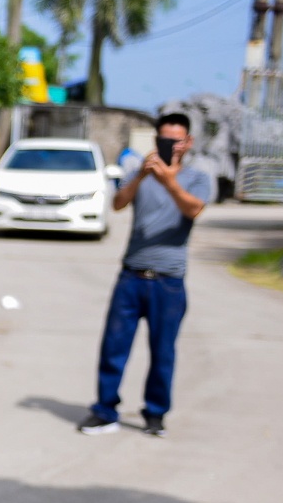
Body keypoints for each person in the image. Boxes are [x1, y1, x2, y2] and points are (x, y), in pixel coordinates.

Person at [78, 113, 212, 438]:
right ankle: (105, 410)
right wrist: (140, 174)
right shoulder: (139, 174)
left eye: (176, 140)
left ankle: (155, 414)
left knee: (163, 351)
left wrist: (169, 181)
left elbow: (193, 209)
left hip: (169, 281)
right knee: (114, 346)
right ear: (155, 141)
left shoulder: (197, 177)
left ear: (188, 142)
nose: (171, 146)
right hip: (131, 277)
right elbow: (119, 204)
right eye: (164, 140)